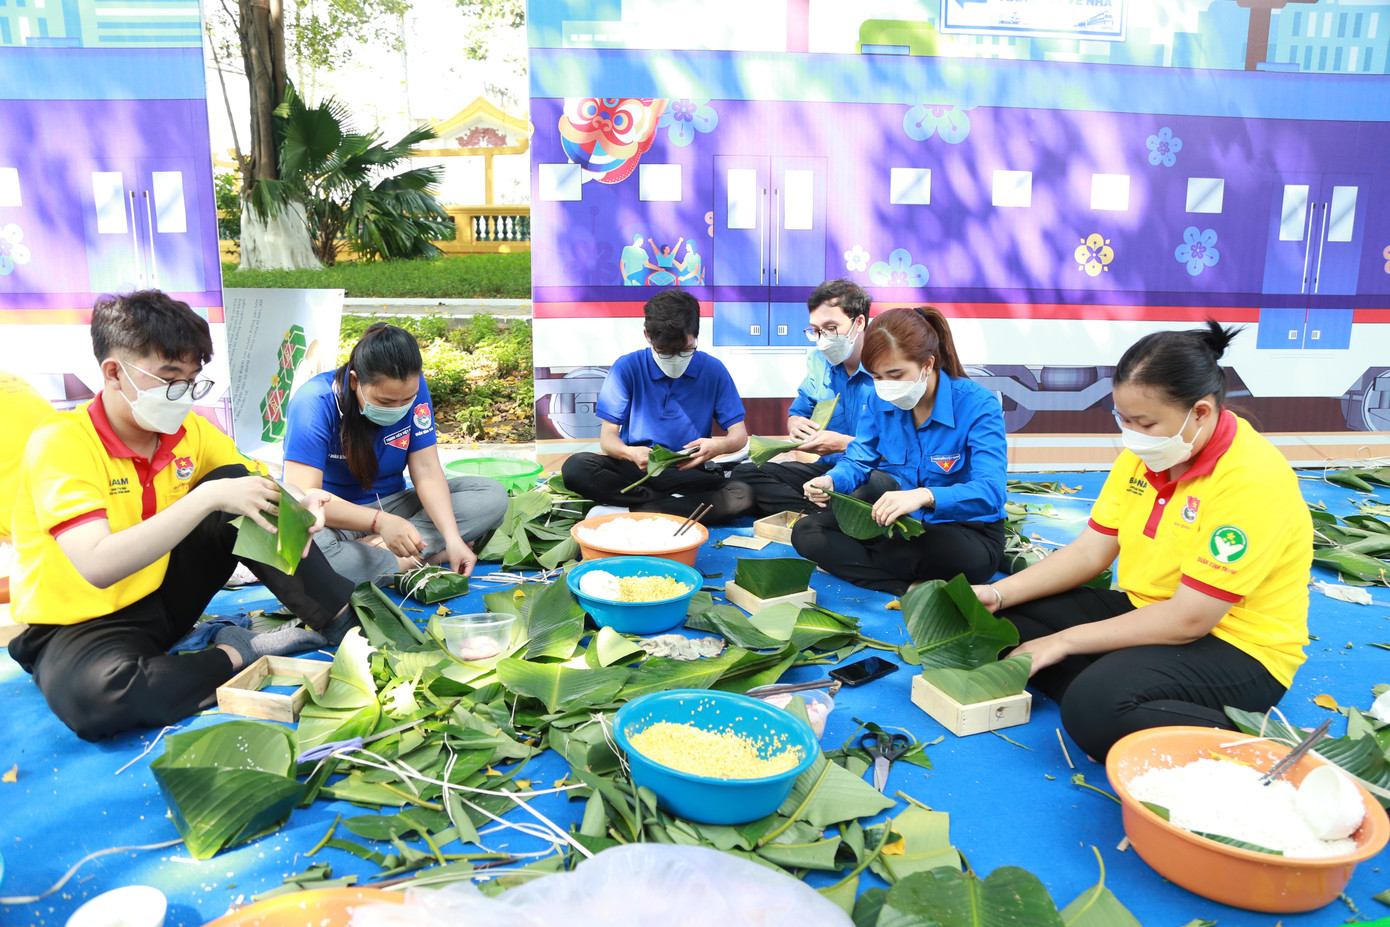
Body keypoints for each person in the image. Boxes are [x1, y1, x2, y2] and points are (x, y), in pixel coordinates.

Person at [7, 291, 354, 741]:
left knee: (240, 484)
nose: (184, 395)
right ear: (114, 372)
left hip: (163, 597)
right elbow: (96, 565)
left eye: (193, 380)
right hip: (79, 625)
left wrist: (299, 499)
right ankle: (239, 652)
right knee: (99, 700)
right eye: (170, 378)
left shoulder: (189, 431)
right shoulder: (62, 443)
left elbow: (253, 478)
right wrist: (207, 498)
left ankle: (344, 620)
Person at [972, 321, 1310, 761]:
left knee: (1091, 709)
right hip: (1149, 612)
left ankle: (1236, 734)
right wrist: (998, 593)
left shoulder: (1251, 482)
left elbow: (1191, 619)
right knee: (1009, 623)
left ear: (1201, 413)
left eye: (1143, 422)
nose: (1130, 434)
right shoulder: (1146, 455)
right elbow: (1090, 552)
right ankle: (1135, 698)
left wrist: (1066, 641)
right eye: (1123, 418)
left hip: (1236, 646)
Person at [793, 307, 1007, 594]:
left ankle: (860, 566)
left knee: (911, 551)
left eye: (895, 375)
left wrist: (925, 496)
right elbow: (858, 460)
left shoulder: (978, 404)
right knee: (807, 532)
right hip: (903, 526)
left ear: (928, 364)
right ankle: (910, 589)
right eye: (878, 377)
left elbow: (991, 492)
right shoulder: (878, 399)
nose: (885, 387)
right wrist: (831, 481)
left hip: (966, 531)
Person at [283, 323, 508, 586]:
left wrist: (452, 538)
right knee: (303, 550)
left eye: (407, 400)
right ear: (355, 381)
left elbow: (426, 470)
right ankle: (423, 559)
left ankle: (390, 555)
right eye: (386, 402)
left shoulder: (413, 387)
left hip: (394, 505)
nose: (399, 408)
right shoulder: (313, 402)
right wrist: (380, 523)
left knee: (491, 496)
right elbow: (304, 499)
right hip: (335, 517)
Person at [561, 289, 753, 523]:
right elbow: (608, 438)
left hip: (687, 470)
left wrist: (718, 446)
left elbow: (739, 435)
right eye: (665, 352)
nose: (675, 359)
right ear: (647, 336)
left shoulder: (713, 370)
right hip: (637, 469)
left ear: (696, 335)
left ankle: (632, 511)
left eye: (685, 350)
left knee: (742, 494)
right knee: (576, 468)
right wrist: (630, 453)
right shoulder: (627, 367)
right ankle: (671, 505)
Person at [732, 279, 877, 517]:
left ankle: (832, 515)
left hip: (873, 471)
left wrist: (842, 443)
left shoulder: (888, 367)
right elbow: (799, 411)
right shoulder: (818, 362)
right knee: (746, 474)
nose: (822, 339)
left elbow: (902, 448)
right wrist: (796, 425)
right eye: (816, 330)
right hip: (828, 470)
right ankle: (827, 514)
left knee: (865, 493)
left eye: (831, 328)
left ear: (859, 322)